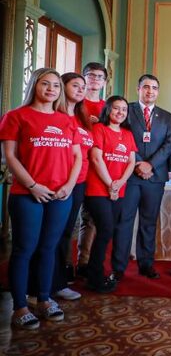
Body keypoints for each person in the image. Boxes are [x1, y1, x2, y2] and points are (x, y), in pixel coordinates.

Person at [0, 68, 82, 329]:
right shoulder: (15, 116)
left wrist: (69, 185)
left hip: (61, 195)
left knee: (49, 248)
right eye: (45, 84)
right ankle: (20, 306)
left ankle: (45, 299)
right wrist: (33, 185)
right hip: (27, 194)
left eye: (56, 86)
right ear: (34, 85)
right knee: (25, 249)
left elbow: (77, 156)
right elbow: (9, 157)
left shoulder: (67, 120)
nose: (51, 89)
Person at [117, 74, 171, 280]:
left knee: (149, 222)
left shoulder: (166, 116)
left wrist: (151, 164)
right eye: (146, 87)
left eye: (155, 88)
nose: (150, 91)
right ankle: (119, 267)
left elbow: (169, 144)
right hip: (130, 175)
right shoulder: (126, 110)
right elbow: (121, 137)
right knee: (124, 221)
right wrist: (139, 162)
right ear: (138, 89)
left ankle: (146, 264)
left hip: (155, 177)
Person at [84, 96, 137, 293]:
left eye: (124, 109)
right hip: (98, 190)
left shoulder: (128, 134)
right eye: (116, 108)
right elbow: (96, 159)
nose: (120, 112)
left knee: (109, 231)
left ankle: (95, 271)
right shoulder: (99, 129)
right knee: (105, 230)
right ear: (108, 110)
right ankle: (94, 276)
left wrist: (119, 184)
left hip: (118, 190)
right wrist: (110, 185)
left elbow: (131, 161)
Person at [52, 73, 93, 300]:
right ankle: (44, 282)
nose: (80, 89)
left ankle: (58, 281)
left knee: (67, 231)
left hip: (79, 182)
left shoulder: (83, 118)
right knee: (53, 234)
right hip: (58, 182)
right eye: (75, 85)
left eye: (83, 87)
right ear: (63, 86)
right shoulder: (55, 115)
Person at [77, 62, 108, 277]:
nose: (95, 79)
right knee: (71, 221)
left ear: (105, 82)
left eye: (99, 77)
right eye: (91, 75)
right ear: (84, 78)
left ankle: (85, 263)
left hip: (99, 170)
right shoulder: (76, 103)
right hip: (74, 168)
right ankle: (69, 265)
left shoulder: (107, 107)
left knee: (91, 219)